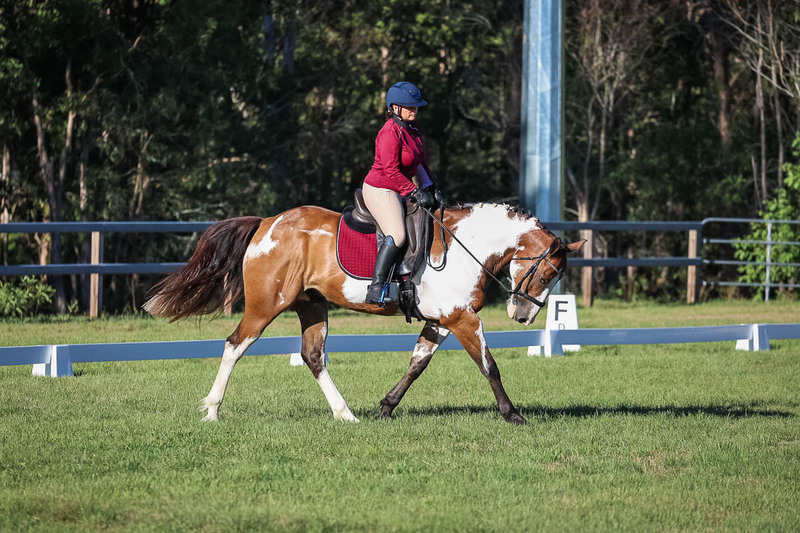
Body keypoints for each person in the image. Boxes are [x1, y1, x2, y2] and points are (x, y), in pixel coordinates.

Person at [362, 81, 442, 305]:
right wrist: (415, 191)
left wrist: (430, 187)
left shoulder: (413, 130)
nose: (414, 110)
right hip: (381, 188)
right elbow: (391, 170)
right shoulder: (389, 132)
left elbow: (418, 162)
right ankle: (376, 287)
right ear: (394, 108)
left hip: (400, 188)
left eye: (416, 107)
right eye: (409, 106)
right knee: (397, 235)